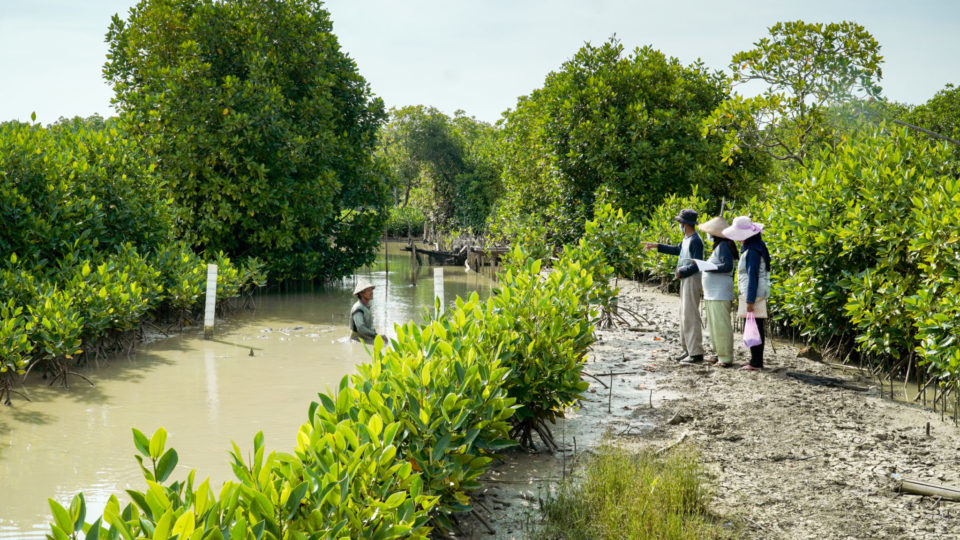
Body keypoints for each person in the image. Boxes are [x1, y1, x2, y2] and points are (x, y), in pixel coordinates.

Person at [643, 208, 704, 363]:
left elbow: (698, 264)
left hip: (692, 278)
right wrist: (656, 245)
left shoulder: (696, 240)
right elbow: (677, 250)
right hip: (685, 278)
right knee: (684, 314)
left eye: (680, 222)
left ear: (685, 224)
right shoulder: (686, 238)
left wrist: (681, 272)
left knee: (690, 315)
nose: (679, 225)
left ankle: (696, 352)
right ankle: (687, 349)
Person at [721, 216, 771, 371]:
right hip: (755, 291)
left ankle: (756, 362)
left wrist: (750, 301)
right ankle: (754, 359)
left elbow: (753, 276)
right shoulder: (755, 246)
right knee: (754, 325)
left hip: (754, 293)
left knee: (754, 326)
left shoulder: (753, 251)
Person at [697, 216, 738, 368]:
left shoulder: (724, 247)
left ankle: (725, 358)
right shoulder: (720, 246)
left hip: (719, 292)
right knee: (714, 325)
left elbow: (727, 266)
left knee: (721, 325)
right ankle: (718, 354)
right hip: (713, 293)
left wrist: (708, 267)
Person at [349, 278, 380, 344]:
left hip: (367, 338)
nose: (371, 292)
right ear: (361, 293)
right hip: (358, 341)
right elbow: (360, 328)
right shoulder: (358, 308)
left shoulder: (366, 306)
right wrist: (376, 335)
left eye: (371, 290)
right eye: (368, 290)